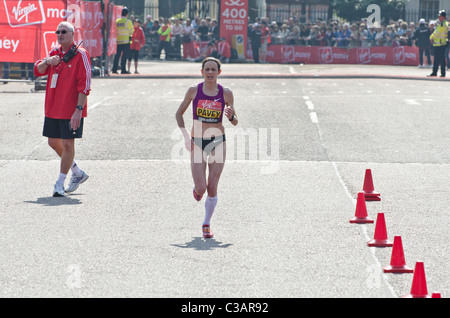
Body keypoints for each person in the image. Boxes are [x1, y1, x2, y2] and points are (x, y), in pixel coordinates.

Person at [175, 57, 238, 238]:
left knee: (212, 187)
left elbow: (234, 122)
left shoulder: (226, 93)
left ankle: (207, 223)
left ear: (219, 72)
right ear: (201, 72)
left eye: (213, 69)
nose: (210, 73)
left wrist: (232, 116)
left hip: (218, 141)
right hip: (197, 142)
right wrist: (186, 136)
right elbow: (179, 113)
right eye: (207, 69)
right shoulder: (194, 91)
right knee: (201, 188)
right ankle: (197, 190)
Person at [33, 21, 91, 197]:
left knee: (67, 143)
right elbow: (37, 70)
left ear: (73, 34)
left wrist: (78, 110)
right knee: (53, 142)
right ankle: (77, 172)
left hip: (71, 109)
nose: (60, 34)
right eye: (57, 32)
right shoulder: (54, 53)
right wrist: (48, 61)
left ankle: (60, 183)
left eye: (64, 32)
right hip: (53, 108)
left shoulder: (81, 55)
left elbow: (85, 84)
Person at [112, 7, 134, 74]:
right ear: (127, 14)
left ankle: (114, 69)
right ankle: (123, 70)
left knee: (117, 56)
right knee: (124, 56)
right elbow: (132, 32)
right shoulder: (128, 22)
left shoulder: (117, 21)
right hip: (126, 41)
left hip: (118, 41)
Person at [428, 10, 448, 77]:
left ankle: (441, 73)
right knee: (438, 59)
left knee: (440, 59)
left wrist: (431, 37)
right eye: (439, 16)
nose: (439, 17)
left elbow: (437, 33)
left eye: (440, 16)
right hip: (438, 43)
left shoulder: (442, 24)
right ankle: (436, 72)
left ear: (443, 17)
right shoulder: (442, 23)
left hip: (440, 43)